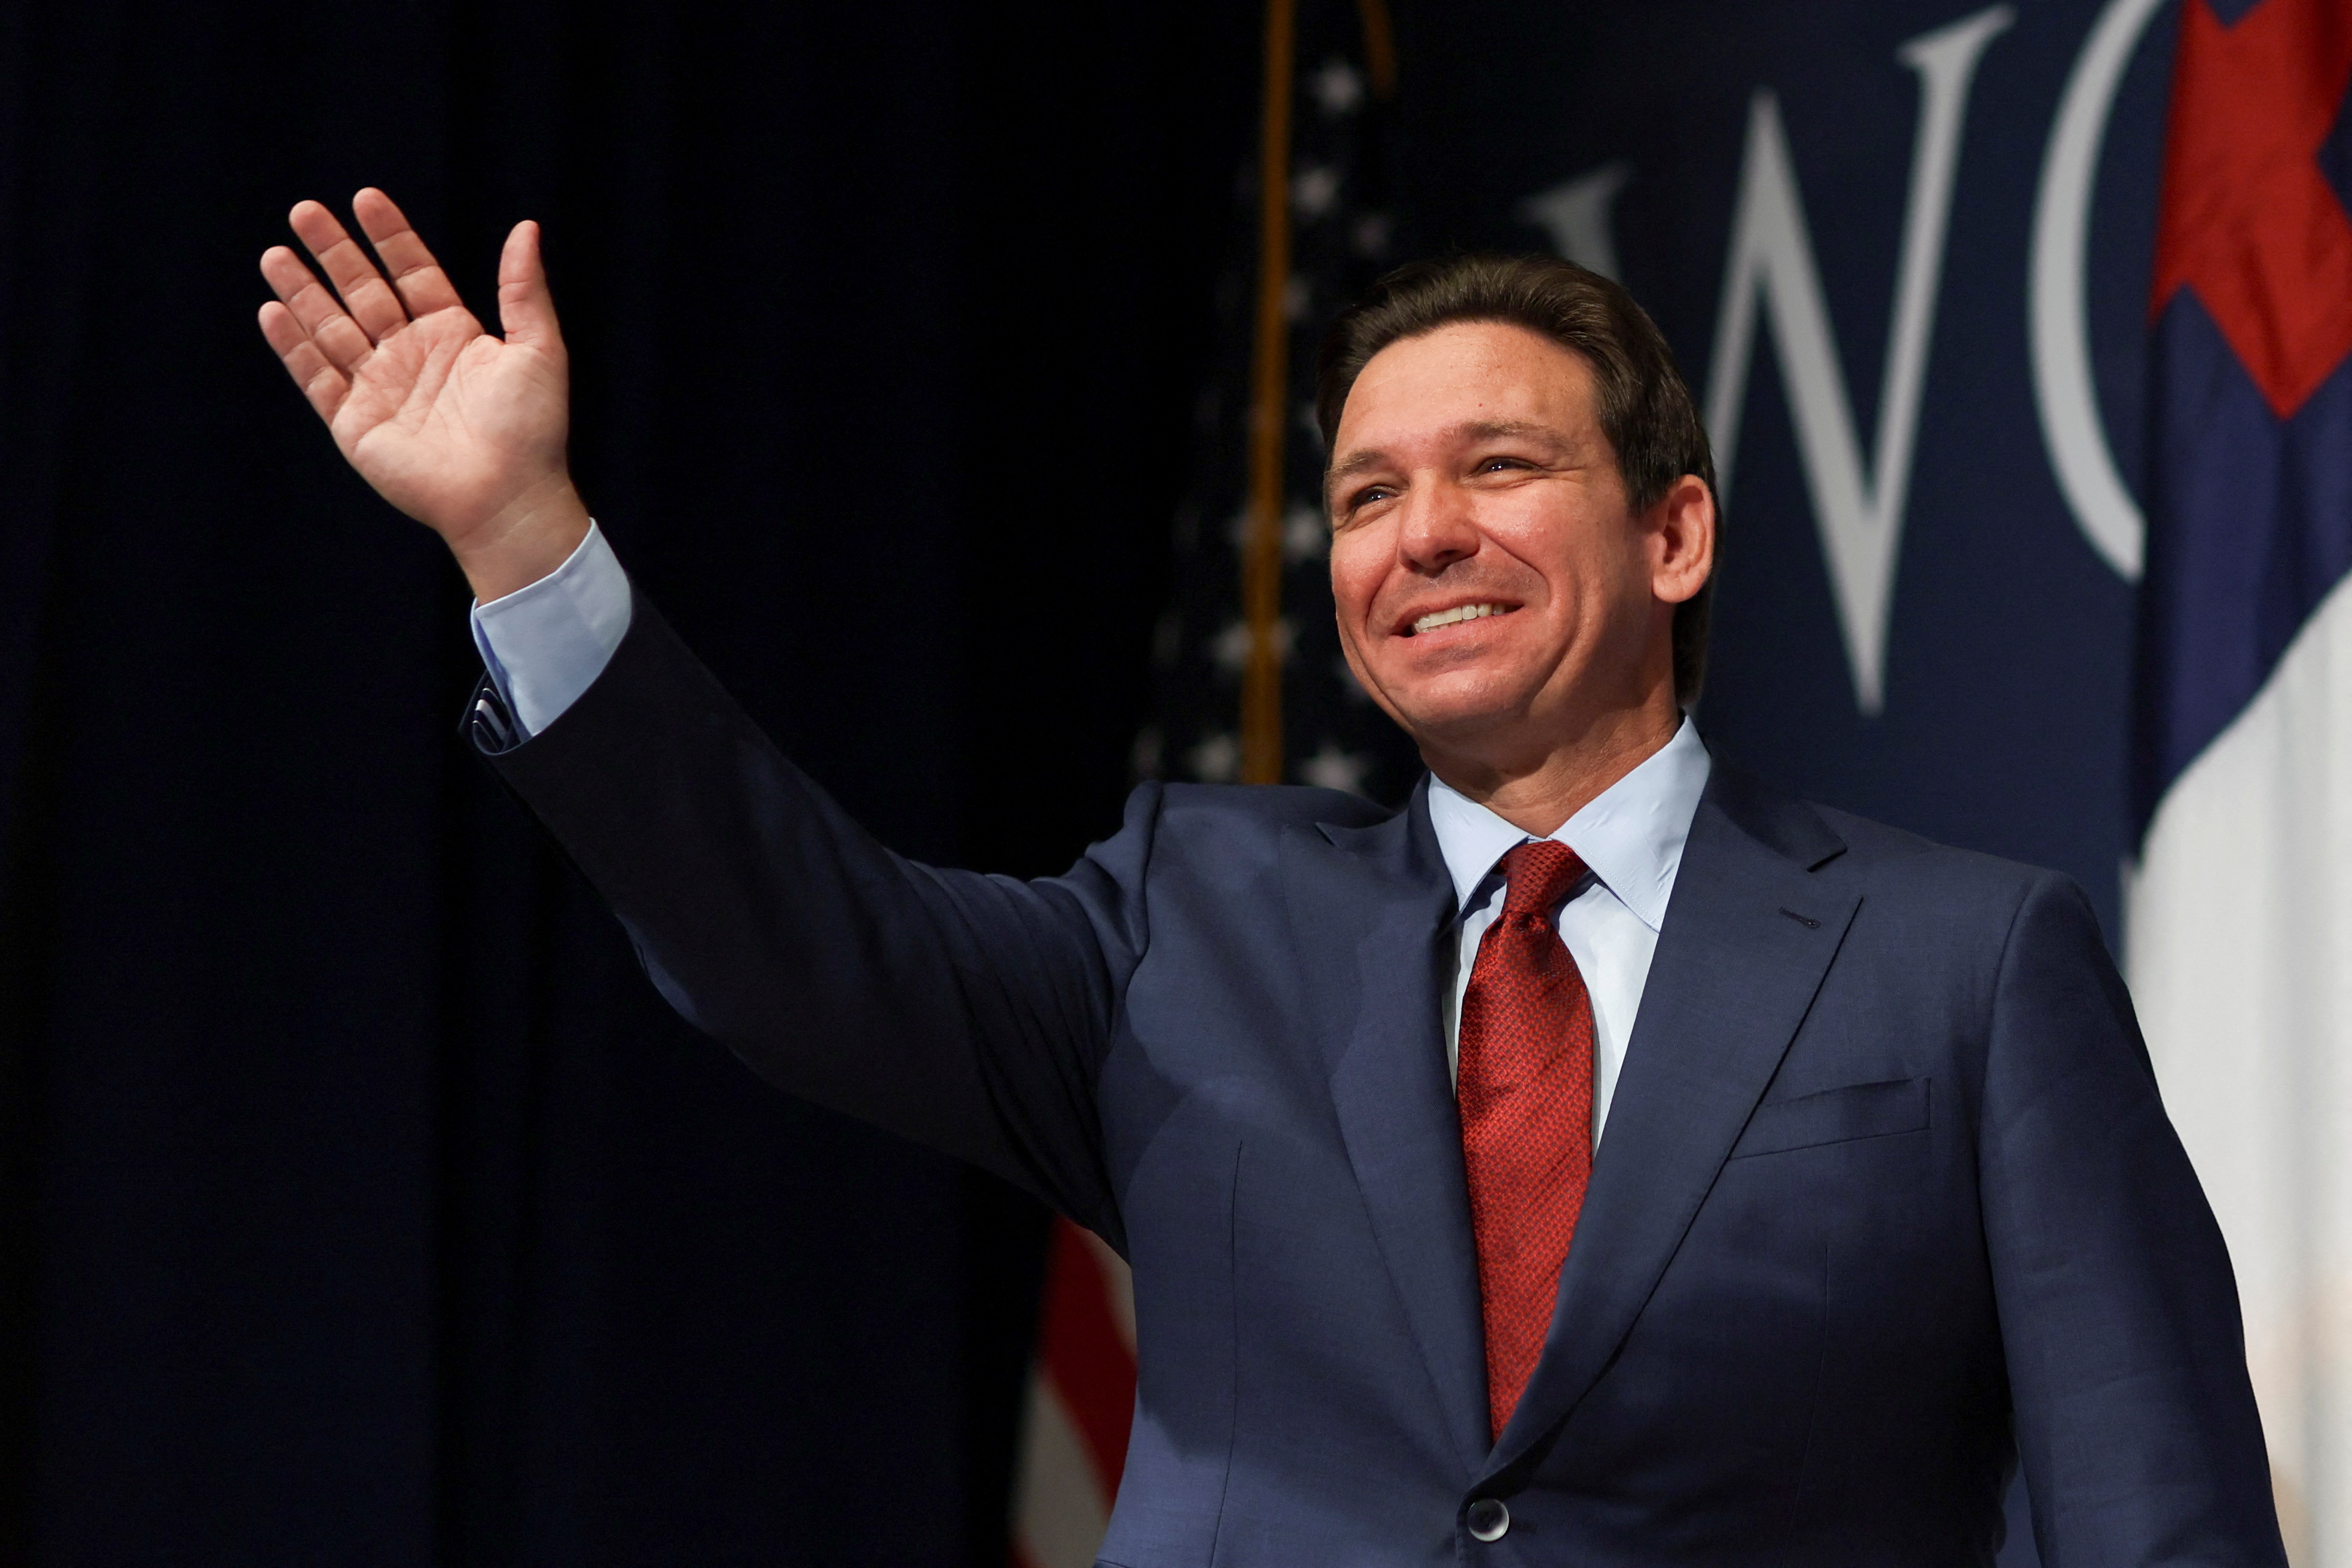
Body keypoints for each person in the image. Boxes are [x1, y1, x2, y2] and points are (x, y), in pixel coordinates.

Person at [257, 190, 2285, 1565]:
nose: (1423, 535)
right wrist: (524, 538)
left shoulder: (1961, 962)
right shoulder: (1187, 917)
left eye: (1500, 468)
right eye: (1367, 496)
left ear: (1675, 533)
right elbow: (804, 946)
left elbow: (2156, 1513)